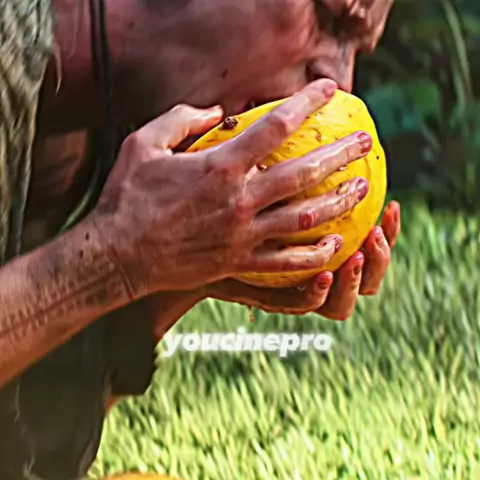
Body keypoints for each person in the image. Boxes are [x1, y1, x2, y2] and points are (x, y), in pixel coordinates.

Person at [0, 0, 400, 478]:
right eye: (329, 20)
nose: (338, 80)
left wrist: (170, 284)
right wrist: (110, 262)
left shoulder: (117, 138)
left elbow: (28, 454)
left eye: (356, 52)